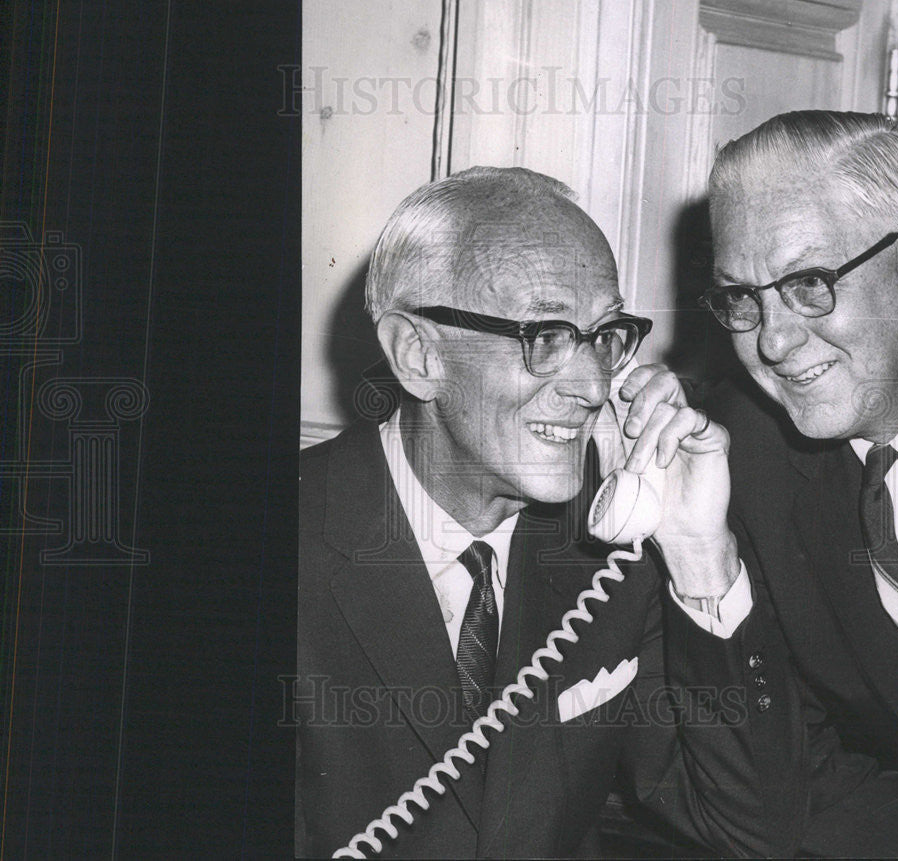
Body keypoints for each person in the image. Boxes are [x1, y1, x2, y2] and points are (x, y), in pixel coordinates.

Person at [295, 166, 803, 858]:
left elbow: (754, 828)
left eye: (603, 335)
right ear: (417, 355)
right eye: (544, 335)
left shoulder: (613, 552)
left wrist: (696, 550)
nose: (594, 385)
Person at [702, 110, 898, 856]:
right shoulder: (744, 457)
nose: (772, 340)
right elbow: (794, 774)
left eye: (808, 282)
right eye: (742, 296)